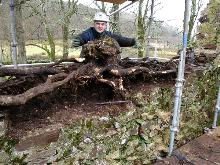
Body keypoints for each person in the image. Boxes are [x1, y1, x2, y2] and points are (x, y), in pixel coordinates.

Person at [72, 12, 137, 48]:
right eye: (98, 24)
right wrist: (78, 40)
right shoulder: (88, 33)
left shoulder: (108, 35)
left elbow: (120, 39)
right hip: (89, 62)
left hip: (103, 62)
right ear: (94, 24)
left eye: (103, 24)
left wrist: (132, 42)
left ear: (105, 25)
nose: (100, 26)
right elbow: (82, 37)